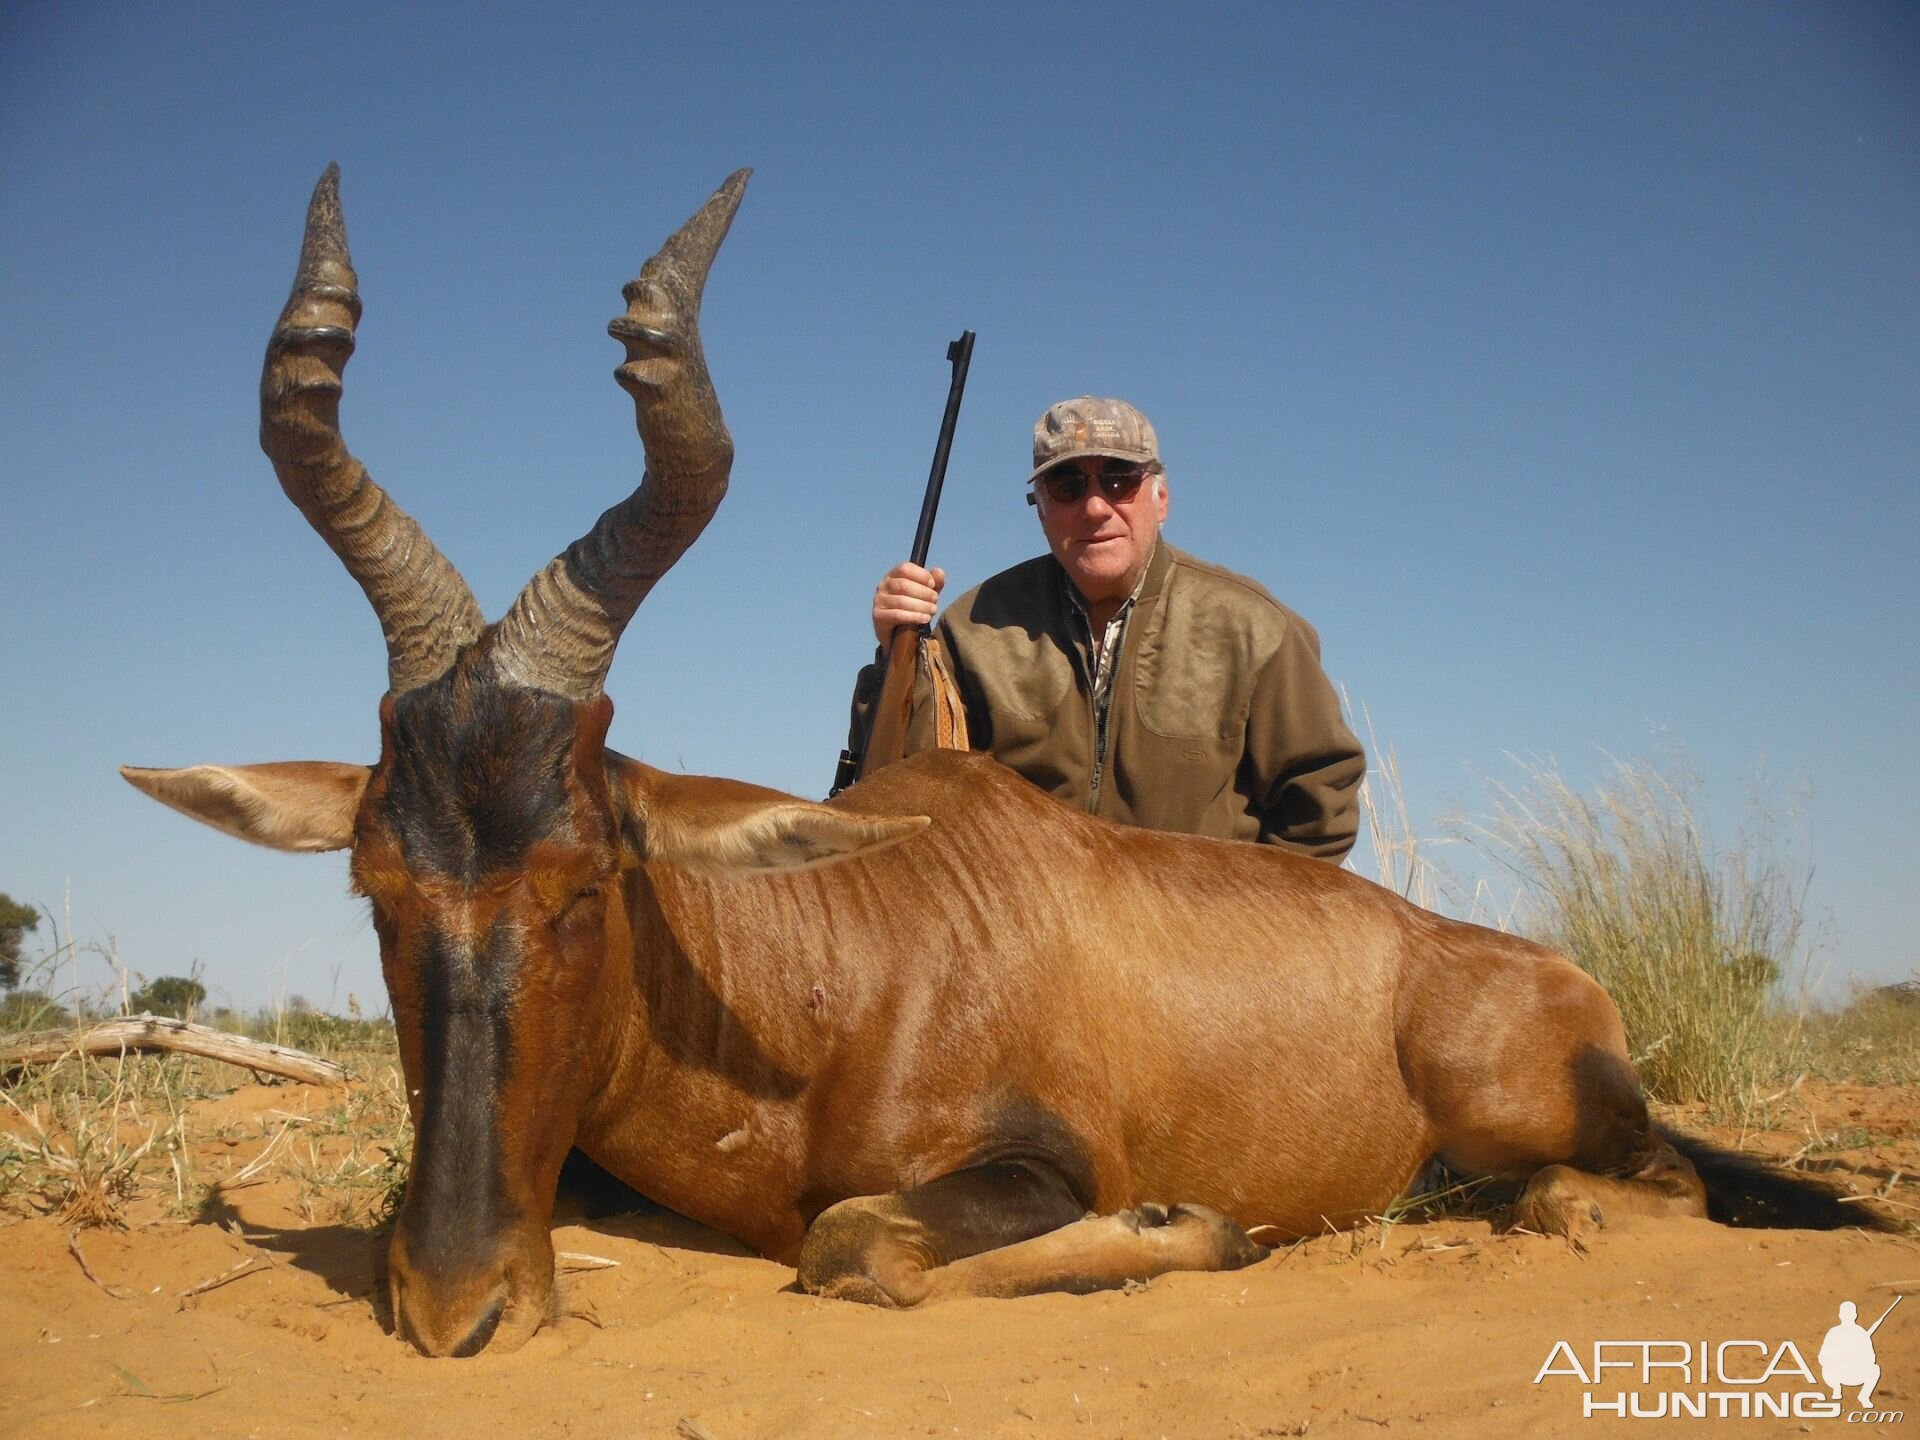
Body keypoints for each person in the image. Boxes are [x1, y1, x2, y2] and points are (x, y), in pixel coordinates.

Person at [849, 396, 1365, 860]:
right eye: (1067, 485)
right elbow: (900, 785)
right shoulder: (973, 624)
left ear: (1160, 499)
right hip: (1029, 944)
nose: (1095, 507)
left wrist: (1245, 929)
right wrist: (896, 648)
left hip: (1193, 946)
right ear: (1042, 511)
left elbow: (1321, 801)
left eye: (1119, 478)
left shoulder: (1254, 626)